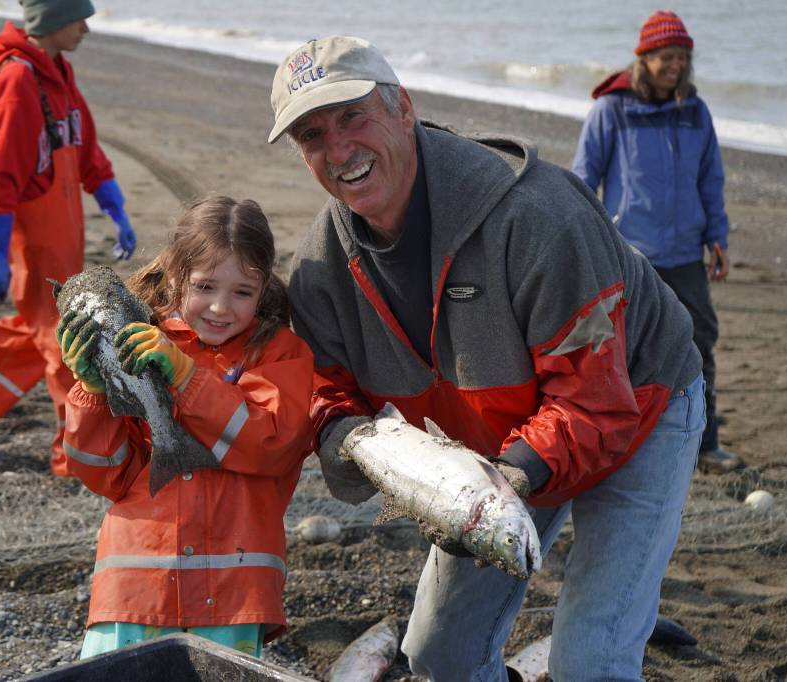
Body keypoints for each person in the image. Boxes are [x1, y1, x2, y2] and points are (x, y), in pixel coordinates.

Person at [269, 36, 706, 680]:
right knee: (438, 657)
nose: (338, 151)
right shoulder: (320, 267)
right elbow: (326, 390)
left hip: (641, 404)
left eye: (352, 117)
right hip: (502, 450)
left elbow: (593, 400)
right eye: (311, 135)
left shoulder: (538, 217)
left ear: (404, 108)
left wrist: (505, 481)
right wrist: (345, 435)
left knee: (591, 661)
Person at [54, 195, 314, 659]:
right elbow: (103, 473)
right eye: (205, 286)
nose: (220, 307)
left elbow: (273, 444)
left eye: (242, 292)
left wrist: (188, 378)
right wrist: (93, 393)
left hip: (233, 596)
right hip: (135, 587)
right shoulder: (137, 340)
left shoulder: (281, 353)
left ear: (264, 289)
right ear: (175, 276)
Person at [0, 0, 137, 475]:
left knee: (36, 331)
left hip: (66, 239)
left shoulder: (59, 71)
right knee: (65, 342)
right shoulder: (19, 79)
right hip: (37, 245)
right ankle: (74, 459)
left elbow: (86, 152)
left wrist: (114, 206)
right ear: (52, 20)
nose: (86, 27)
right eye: (78, 17)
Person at [572, 10, 743, 474]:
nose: (675, 65)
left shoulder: (696, 112)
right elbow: (584, 181)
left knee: (699, 342)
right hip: (631, 257)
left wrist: (717, 236)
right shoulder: (612, 110)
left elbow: (711, 178)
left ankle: (706, 445)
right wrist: (583, 244)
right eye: (666, 57)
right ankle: (626, 443)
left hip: (687, 253)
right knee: (626, 351)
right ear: (643, 58)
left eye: (682, 57)